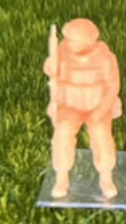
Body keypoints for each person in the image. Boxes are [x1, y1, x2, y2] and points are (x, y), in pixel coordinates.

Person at [45, 19, 121, 199]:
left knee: (101, 135)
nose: (68, 42)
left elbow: (113, 86)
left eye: (73, 40)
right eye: (67, 39)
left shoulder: (105, 57)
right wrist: (52, 66)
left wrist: (101, 109)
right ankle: (62, 177)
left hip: (97, 105)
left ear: (87, 41)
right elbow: (50, 68)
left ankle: (106, 177)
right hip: (70, 104)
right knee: (63, 132)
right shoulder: (62, 52)